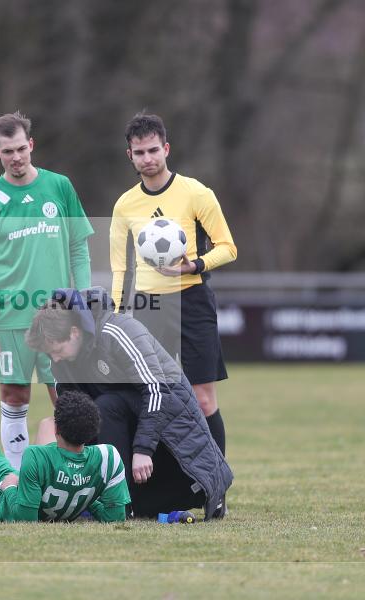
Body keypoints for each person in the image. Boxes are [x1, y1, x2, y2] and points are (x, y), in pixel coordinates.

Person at [25, 287, 232, 519]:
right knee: (86, 413)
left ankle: (205, 489)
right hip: (131, 458)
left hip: (168, 448)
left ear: (74, 332)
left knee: (107, 405)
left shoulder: (118, 331)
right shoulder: (61, 362)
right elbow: (73, 418)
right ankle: (121, 501)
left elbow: (157, 390)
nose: (55, 358)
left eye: (57, 350)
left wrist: (143, 450)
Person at [0, 111, 94, 470]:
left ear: (31, 145)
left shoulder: (59, 187)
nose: (16, 157)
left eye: (21, 148)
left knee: (67, 401)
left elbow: (79, 249)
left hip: (59, 321)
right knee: (14, 396)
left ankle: (75, 478)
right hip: (10, 320)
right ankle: (20, 477)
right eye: (8, 151)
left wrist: (83, 304)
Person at [109, 113, 237, 458]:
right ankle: (159, 485)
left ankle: (216, 485)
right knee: (154, 398)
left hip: (192, 301)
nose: (147, 159)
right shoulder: (125, 205)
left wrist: (194, 265)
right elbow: (120, 269)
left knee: (202, 397)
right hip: (148, 308)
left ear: (166, 148)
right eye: (139, 153)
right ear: (130, 156)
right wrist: (118, 314)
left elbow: (228, 248)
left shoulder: (196, 193)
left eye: (153, 150)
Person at [0, 389, 130, 522]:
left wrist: (8, 487)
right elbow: (114, 517)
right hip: (51, 488)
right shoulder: (109, 455)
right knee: (46, 422)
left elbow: (25, 519)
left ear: (58, 430)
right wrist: (84, 498)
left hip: (5, 496)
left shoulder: (34, 455)